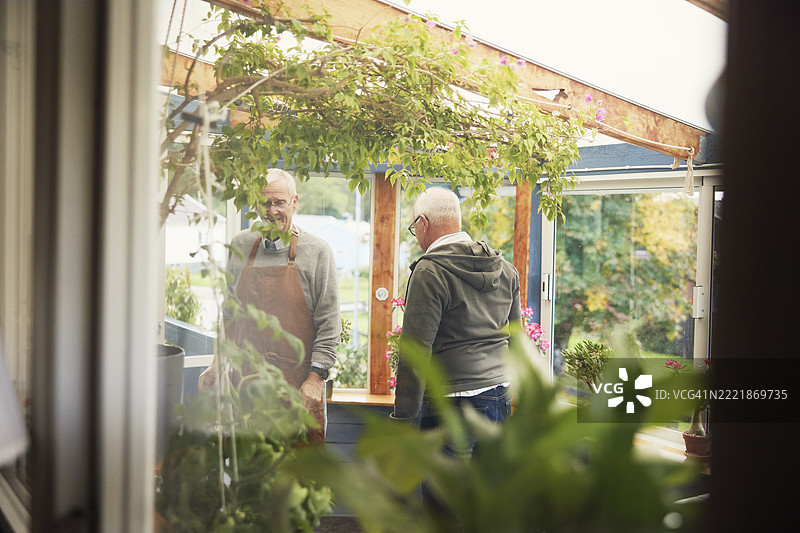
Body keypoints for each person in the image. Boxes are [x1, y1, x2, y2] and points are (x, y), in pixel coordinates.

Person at [198, 169, 340, 444]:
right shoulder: (240, 246)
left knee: (300, 478)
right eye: (265, 203)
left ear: (294, 203)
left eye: (280, 203)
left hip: (298, 390)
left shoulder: (317, 252)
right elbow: (229, 315)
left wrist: (315, 380)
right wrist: (216, 364)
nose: (272, 211)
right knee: (248, 476)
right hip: (246, 387)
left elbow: (329, 324)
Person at [390, 187, 521, 456]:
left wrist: (402, 419)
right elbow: (517, 340)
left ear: (422, 223)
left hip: (452, 408)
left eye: (414, 229)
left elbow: (415, 351)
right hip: (500, 399)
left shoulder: (430, 271)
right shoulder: (505, 269)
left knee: (443, 498)